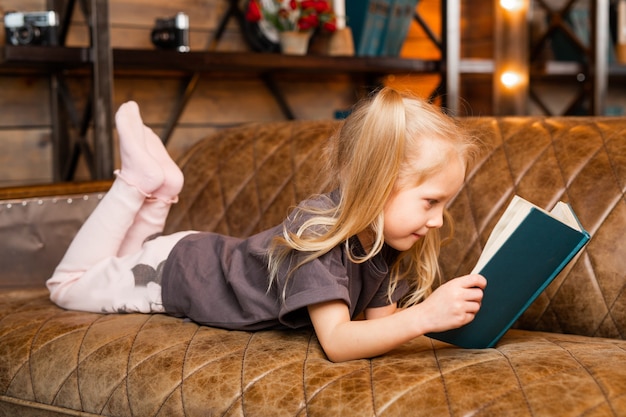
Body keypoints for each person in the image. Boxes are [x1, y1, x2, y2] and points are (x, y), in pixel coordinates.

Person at [47, 87, 486, 363]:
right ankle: (136, 185)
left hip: (193, 254)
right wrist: (425, 315)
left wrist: (443, 322)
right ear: (376, 182)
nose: (439, 220)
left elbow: (379, 330)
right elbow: (338, 342)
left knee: (114, 262)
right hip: (175, 273)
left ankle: (159, 191)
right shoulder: (319, 230)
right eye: (431, 201)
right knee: (66, 285)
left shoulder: (383, 244)